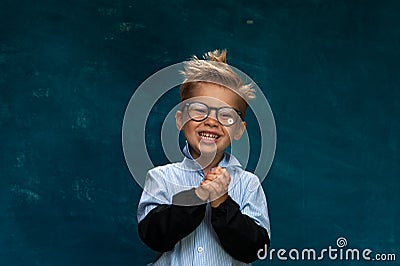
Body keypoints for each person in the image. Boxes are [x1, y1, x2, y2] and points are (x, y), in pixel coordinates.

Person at [137, 49, 270, 265]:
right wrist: (198, 196)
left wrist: (222, 203)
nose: (211, 121)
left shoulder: (248, 184)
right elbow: (154, 237)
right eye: (200, 110)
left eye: (226, 115)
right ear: (180, 120)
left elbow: (254, 249)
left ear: (239, 130)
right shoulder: (160, 178)